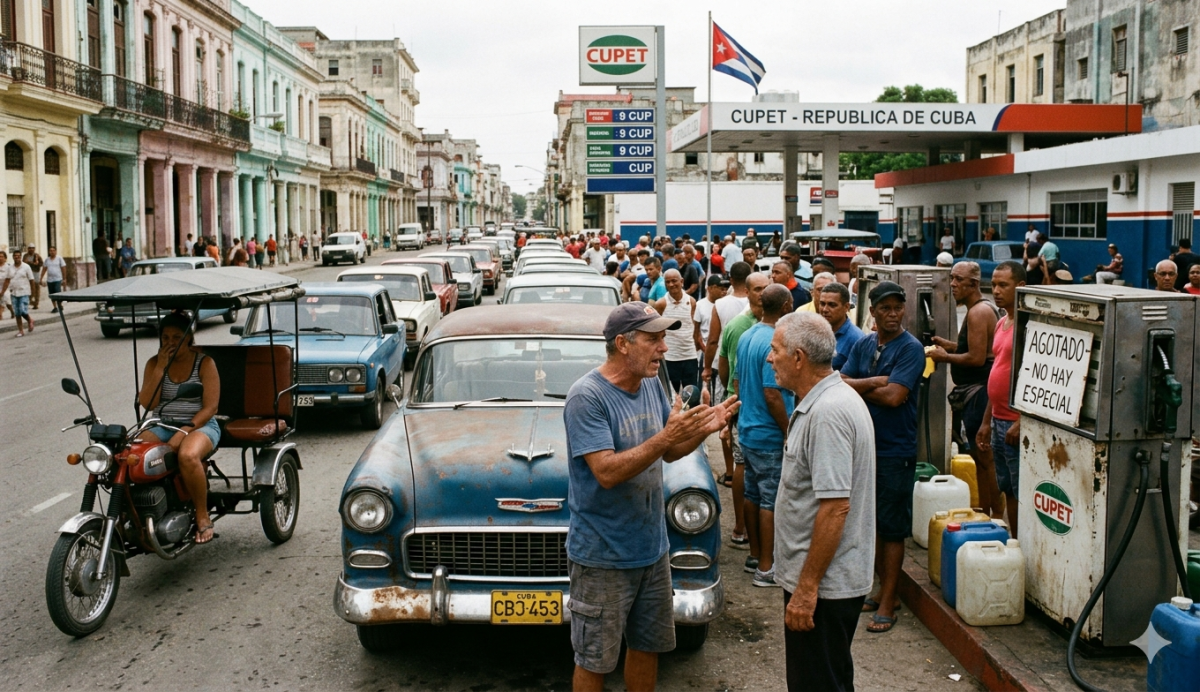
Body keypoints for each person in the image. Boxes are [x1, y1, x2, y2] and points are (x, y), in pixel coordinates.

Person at [564, 302, 737, 692]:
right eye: (654, 339)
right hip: (603, 557)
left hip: (652, 549)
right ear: (623, 344)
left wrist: (705, 428)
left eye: (663, 337)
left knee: (647, 648)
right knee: (595, 660)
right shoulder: (587, 396)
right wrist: (667, 436)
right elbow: (606, 472)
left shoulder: (651, 385)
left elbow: (670, 451)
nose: (664, 347)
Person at [769, 311, 876, 692]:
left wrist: (806, 588)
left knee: (818, 683)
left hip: (824, 586)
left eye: (775, 349)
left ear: (798, 357)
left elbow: (835, 508)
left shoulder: (828, 412)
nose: (770, 358)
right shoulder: (824, 400)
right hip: (821, 580)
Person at [840, 281, 926, 633]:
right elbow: (839, 379)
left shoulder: (911, 349)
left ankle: (890, 599)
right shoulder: (864, 343)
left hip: (895, 450)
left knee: (892, 529)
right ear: (872, 311)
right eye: (885, 308)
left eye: (897, 307)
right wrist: (875, 381)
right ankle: (879, 589)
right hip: (865, 447)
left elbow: (894, 398)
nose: (893, 314)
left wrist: (864, 386)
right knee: (871, 522)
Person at [137, 313, 221, 544]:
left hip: (199, 425)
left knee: (187, 455)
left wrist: (184, 431)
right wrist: (160, 369)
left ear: (189, 338)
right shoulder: (154, 363)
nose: (170, 342)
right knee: (132, 456)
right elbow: (148, 404)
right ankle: (140, 513)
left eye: (177, 336)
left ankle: (202, 516)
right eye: (165, 337)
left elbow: (211, 407)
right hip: (161, 423)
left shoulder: (204, 363)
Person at [929, 262, 1002, 518]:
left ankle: (994, 516)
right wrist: (948, 345)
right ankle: (984, 511)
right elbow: (973, 348)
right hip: (977, 392)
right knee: (980, 460)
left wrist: (943, 357)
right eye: (951, 278)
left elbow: (976, 358)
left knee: (985, 460)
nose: (952, 284)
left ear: (973, 284)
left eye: (958, 280)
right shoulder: (980, 309)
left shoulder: (978, 312)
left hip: (979, 394)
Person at [736, 284, 795, 588]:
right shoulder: (774, 342)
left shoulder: (748, 335)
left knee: (753, 495)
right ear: (786, 306)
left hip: (748, 429)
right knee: (770, 501)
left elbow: (737, 381)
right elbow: (773, 395)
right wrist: (789, 431)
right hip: (769, 433)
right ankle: (767, 568)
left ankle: (755, 556)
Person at [719, 273, 769, 552]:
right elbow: (728, 368)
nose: (762, 293)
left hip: (760, 407)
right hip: (744, 405)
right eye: (757, 289)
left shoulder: (776, 322)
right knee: (743, 466)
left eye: (766, 288)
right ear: (746, 292)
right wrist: (732, 401)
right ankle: (740, 526)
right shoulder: (741, 326)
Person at [975, 261, 1026, 538]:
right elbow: (995, 374)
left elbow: (1036, 378)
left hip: (1014, 425)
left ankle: (1021, 545)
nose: (995, 290)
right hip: (997, 420)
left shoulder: (1027, 325)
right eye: (993, 284)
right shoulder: (1002, 322)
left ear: (1021, 287)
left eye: (1003, 285)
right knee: (1006, 487)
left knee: (1021, 491)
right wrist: (987, 420)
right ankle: (1014, 542)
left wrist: (1022, 420)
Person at [653, 269, 698, 394]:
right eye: (668, 282)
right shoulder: (661, 303)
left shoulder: (691, 302)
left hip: (689, 355)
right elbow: (656, 330)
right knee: (671, 395)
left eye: (674, 281)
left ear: (681, 281)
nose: (672, 284)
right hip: (670, 357)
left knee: (692, 394)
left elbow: (694, 327)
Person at [818, 282, 865, 371]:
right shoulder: (814, 332)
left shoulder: (857, 339)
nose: (825, 309)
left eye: (832, 305)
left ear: (846, 307)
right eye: (822, 304)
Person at [2, 250, 36, 336]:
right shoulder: (10, 268)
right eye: (15, 256)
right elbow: (7, 280)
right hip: (14, 292)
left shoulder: (26, 267)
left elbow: (32, 280)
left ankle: (29, 320)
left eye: (18, 256)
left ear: (21, 257)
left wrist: (33, 293)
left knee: (22, 311)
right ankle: (21, 331)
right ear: (13, 257)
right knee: (17, 313)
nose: (16, 257)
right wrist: (2, 291)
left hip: (24, 292)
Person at [40, 246, 68, 313]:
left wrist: (64, 279)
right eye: (50, 250)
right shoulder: (47, 260)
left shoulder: (59, 258)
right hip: (50, 280)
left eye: (53, 250)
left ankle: (60, 305)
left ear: (56, 251)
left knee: (57, 292)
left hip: (57, 279)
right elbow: (44, 269)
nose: (52, 252)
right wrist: (41, 278)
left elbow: (63, 268)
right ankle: (55, 307)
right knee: (52, 294)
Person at [22, 244, 42, 309]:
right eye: (30, 248)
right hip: (28, 274)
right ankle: (30, 301)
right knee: (29, 288)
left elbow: (40, 263)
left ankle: (36, 303)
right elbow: (24, 262)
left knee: (36, 288)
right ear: (28, 249)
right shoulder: (26, 255)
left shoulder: (37, 256)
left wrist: (32, 263)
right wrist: (33, 263)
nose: (31, 249)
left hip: (35, 273)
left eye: (32, 248)